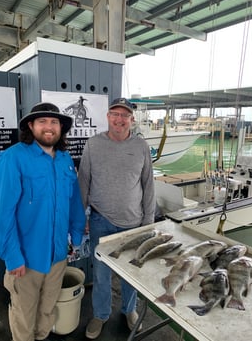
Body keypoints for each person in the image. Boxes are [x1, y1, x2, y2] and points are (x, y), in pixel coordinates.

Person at [0, 102, 86, 341]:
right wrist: (12, 256)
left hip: (58, 256)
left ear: (60, 128)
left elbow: (74, 202)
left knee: (47, 311)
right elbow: (2, 213)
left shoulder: (65, 159)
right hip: (25, 261)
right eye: (43, 121)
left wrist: (76, 238)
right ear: (31, 125)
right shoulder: (13, 158)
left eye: (54, 122)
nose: (49, 127)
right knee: (23, 316)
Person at [78, 97, 156, 339]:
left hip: (134, 224)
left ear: (131, 120)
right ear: (108, 117)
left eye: (125, 115)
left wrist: (148, 223)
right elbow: (83, 182)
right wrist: (82, 219)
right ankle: (100, 314)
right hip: (101, 221)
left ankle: (129, 310)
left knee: (131, 273)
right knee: (101, 274)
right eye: (115, 114)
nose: (119, 119)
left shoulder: (141, 146)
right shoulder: (93, 144)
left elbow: (148, 184)